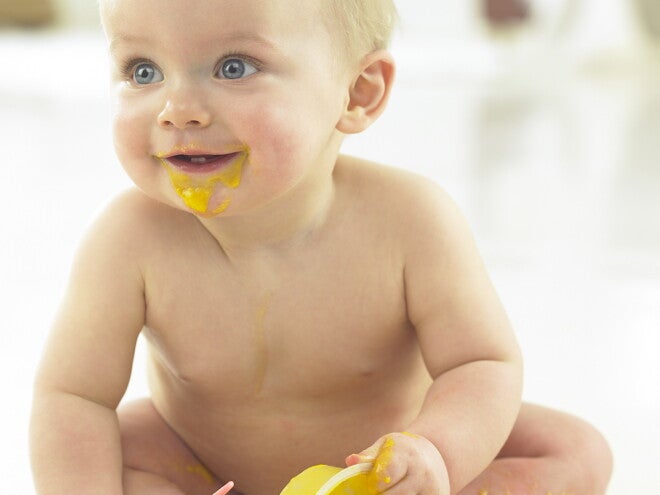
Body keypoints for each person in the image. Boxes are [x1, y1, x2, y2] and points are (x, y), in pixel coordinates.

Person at [29, 0, 613, 494]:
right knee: (104, 454)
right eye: (143, 70)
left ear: (357, 94)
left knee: (572, 450)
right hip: (201, 464)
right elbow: (73, 396)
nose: (177, 110)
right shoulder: (129, 239)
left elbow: (481, 363)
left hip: (378, 469)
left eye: (234, 67)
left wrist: (435, 452)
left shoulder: (410, 220)